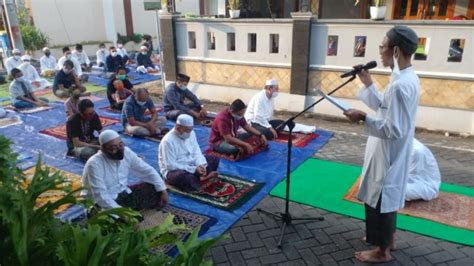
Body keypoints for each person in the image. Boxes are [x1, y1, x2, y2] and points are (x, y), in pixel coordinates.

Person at [343, 25, 420, 263]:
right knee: (386, 197)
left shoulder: (399, 85)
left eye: (382, 46)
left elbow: (392, 127)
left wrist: (363, 117)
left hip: (389, 151)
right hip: (393, 150)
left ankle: (381, 251)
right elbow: (387, 109)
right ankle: (389, 240)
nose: (379, 51)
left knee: (380, 198)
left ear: (395, 50)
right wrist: (368, 83)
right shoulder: (407, 77)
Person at [82, 130, 169, 210]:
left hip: (123, 195)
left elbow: (146, 170)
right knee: (105, 217)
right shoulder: (94, 164)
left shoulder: (126, 152)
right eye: (113, 148)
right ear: (103, 149)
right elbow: (101, 196)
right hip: (101, 204)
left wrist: (163, 190)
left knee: (155, 187)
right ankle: (126, 215)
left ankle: (129, 212)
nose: (119, 150)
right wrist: (123, 214)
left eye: (120, 145)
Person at [159, 114, 220, 192]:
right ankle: (201, 178)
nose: (190, 133)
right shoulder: (167, 141)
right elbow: (170, 165)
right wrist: (194, 169)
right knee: (184, 177)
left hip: (192, 164)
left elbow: (196, 151)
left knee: (214, 159)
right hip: (176, 170)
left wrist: (201, 164)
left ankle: (200, 177)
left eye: (191, 130)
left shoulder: (191, 133)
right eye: (188, 130)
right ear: (178, 128)